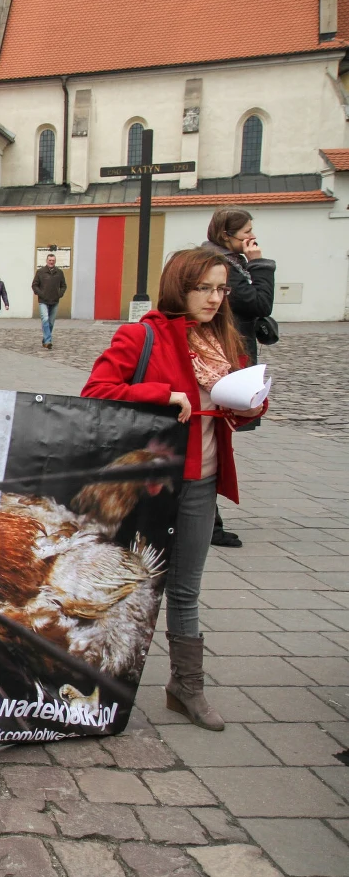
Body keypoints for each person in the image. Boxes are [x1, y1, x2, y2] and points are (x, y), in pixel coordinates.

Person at [82, 248, 266, 731]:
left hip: (201, 480)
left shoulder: (223, 339)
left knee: (186, 588)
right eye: (203, 287)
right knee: (120, 585)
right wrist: (161, 395)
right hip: (147, 484)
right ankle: (90, 682)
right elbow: (95, 391)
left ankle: (187, 687)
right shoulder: (142, 334)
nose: (214, 298)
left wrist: (249, 406)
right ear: (179, 286)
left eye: (221, 288)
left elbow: (242, 408)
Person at [202, 207, 274, 549]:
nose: (251, 236)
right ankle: (206, 523)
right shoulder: (225, 266)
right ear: (226, 234)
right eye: (245, 231)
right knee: (212, 437)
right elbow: (259, 302)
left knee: (213, 437)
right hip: (222, 357)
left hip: (222, 354)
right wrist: (259, 263)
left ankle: (205, 519)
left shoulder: (226, 261)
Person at [31, 253, 67, 350]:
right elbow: (34, 285)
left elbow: (63, 285)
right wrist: (40, 293)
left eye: (53, 260)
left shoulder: (59, 272)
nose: (51, 262)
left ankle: (46, 339)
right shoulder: (40, 272)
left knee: (51, 322)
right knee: (45, 319)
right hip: (43, 300)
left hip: (55, 300)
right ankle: (48, 341)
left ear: (55, 261)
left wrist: (60, 294)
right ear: (47, 261)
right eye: (50, 260)